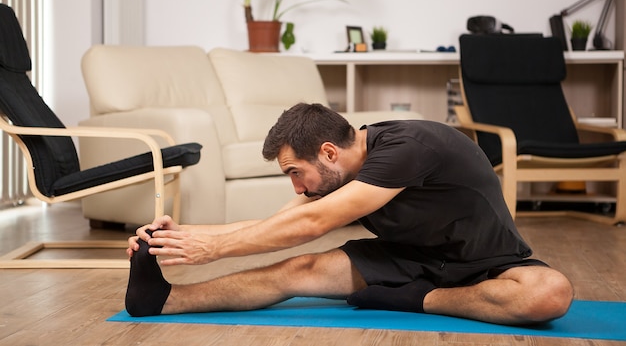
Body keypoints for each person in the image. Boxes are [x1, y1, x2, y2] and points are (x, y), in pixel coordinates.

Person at [125, 103, 573, 325]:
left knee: (549, 293)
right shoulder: (339, 173)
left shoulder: (405, 148)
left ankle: (413, 298)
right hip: (408, 258)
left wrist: (216, 249)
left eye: (296, 173)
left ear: (328, 152)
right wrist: (179, 235)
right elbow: (278, 223)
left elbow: (312, 223)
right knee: (298, 268)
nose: (298, 187)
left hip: (486, 264)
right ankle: (165, 301)